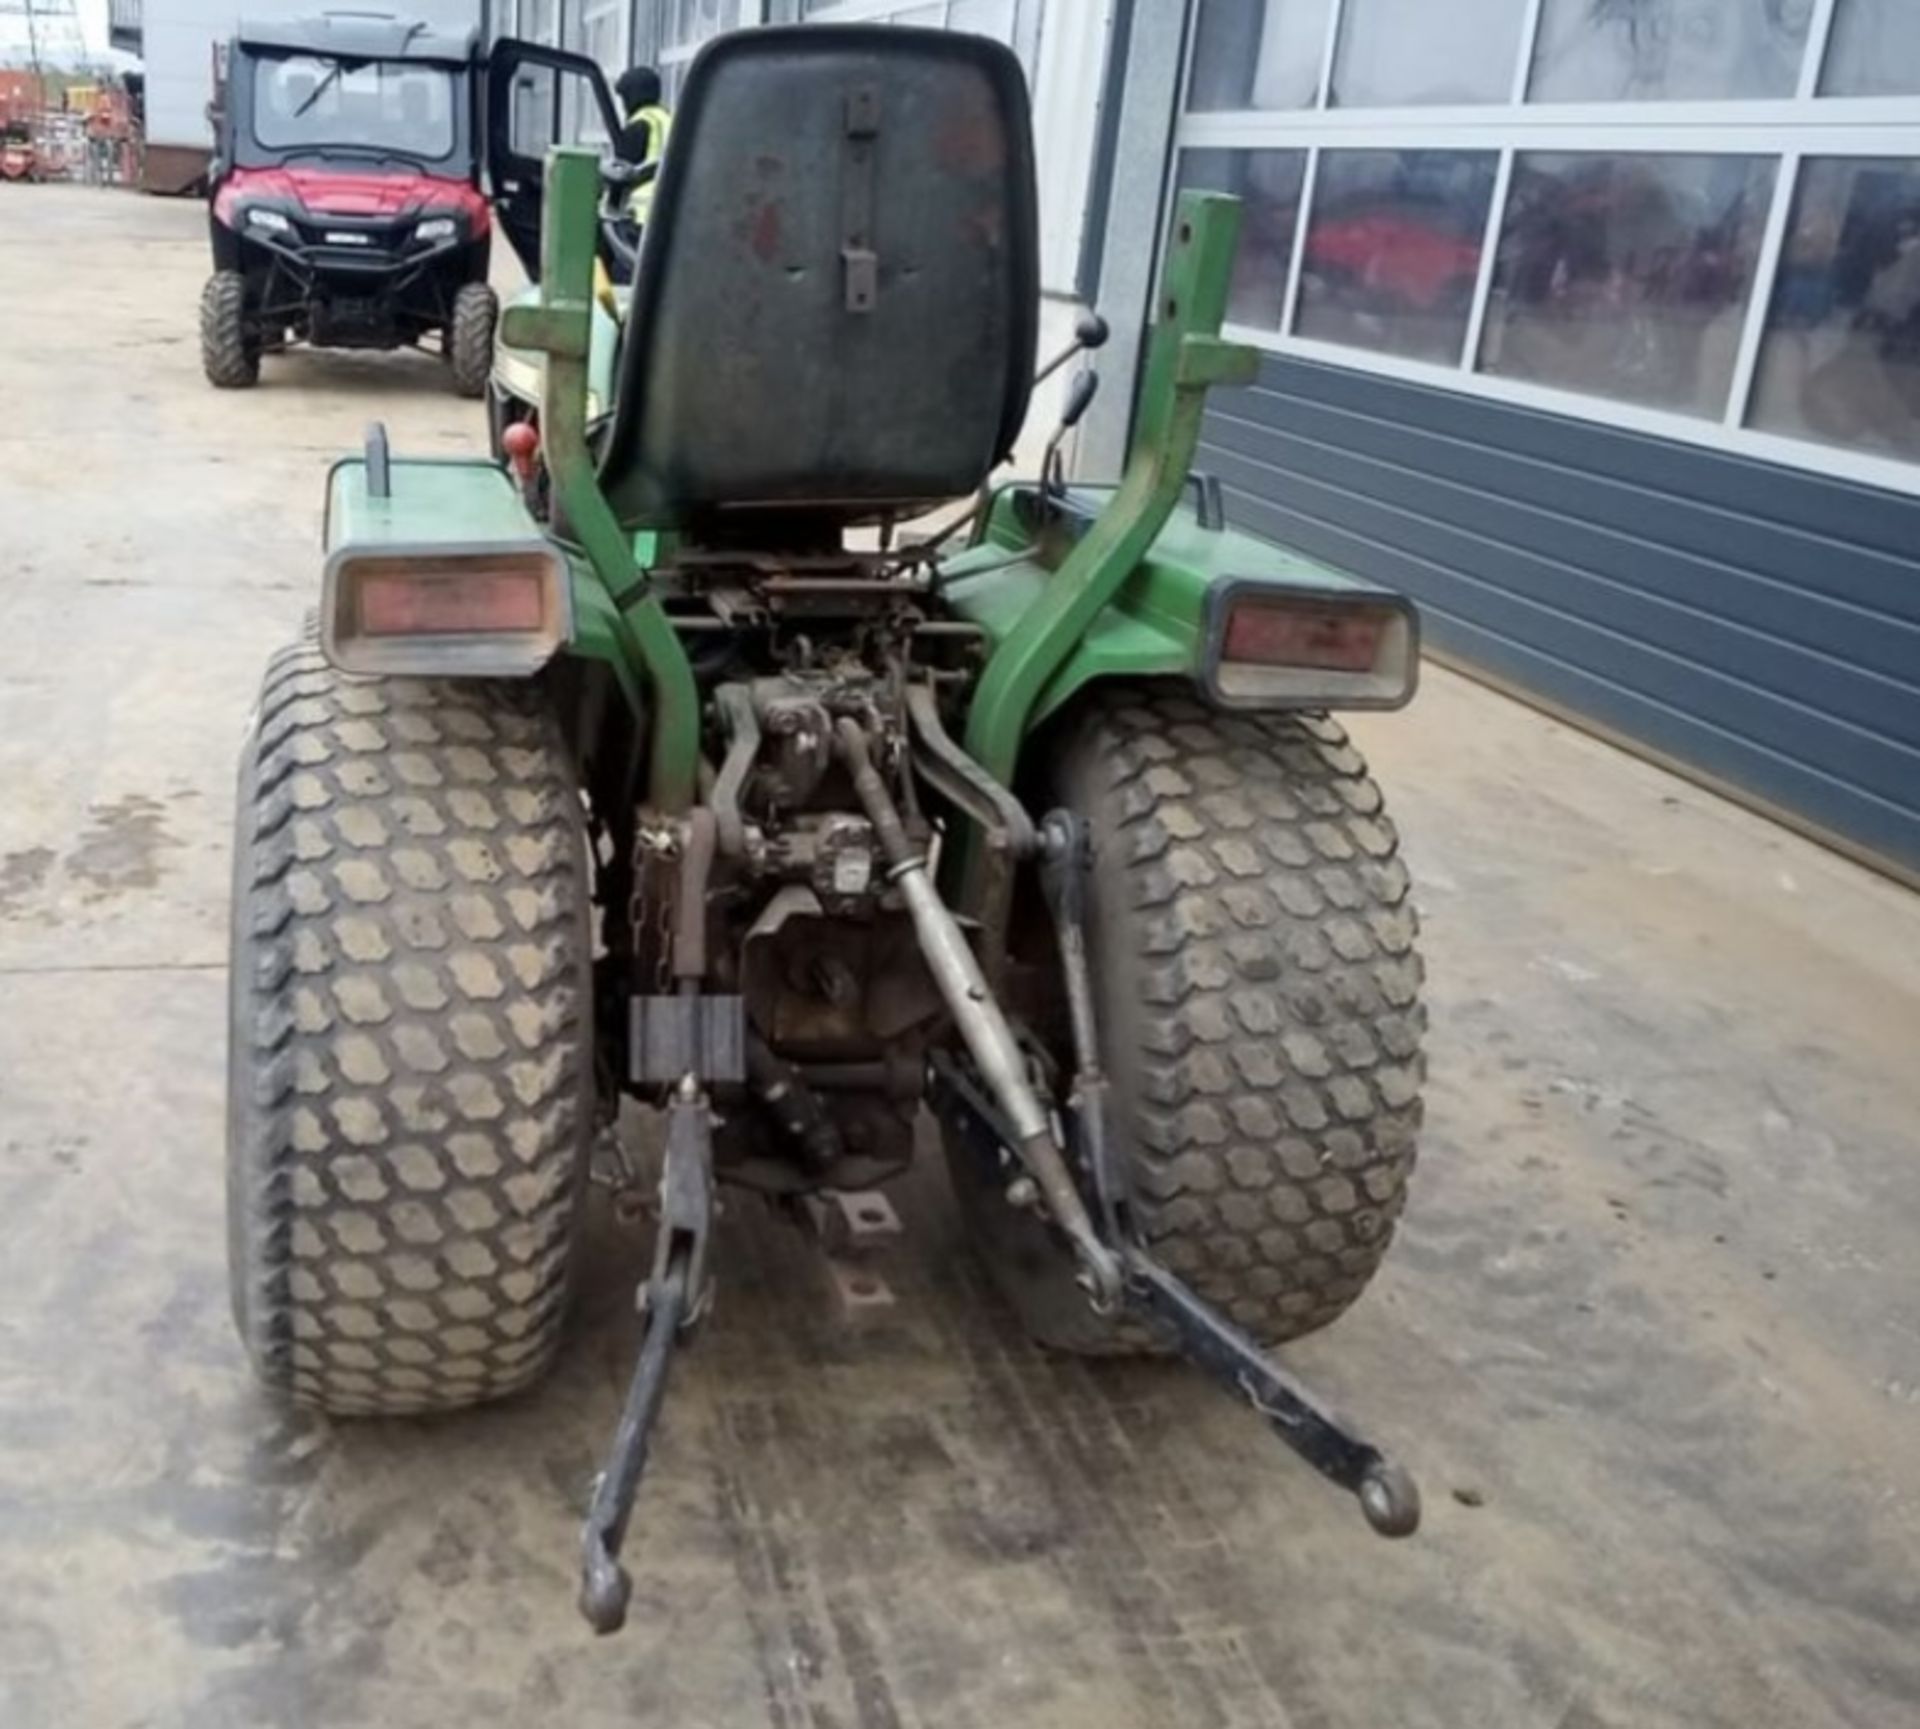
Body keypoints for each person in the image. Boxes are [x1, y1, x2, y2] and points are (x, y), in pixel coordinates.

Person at [613, 65, 671, 226]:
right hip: (670, 214)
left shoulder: (639, 124)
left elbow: (620, 173)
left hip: (640, 217)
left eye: (624, 98)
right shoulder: (670, 120)